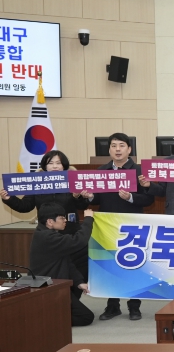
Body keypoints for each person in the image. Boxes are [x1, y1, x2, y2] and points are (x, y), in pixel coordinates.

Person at [83, 133, 154, 321]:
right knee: (110, 266)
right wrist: (90, 196)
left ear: (129, 149)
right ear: (109, 150)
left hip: (132, 226)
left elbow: (149, 199)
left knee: (134, 266)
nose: (117, 149)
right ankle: (112, 306)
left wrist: (130, 197)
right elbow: (97, 199)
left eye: (121, 145)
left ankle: (134, 306)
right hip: (107, 227)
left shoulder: (139, 171)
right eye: (114, 146)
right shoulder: (102, 171)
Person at [1, 150, 90, 279]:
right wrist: (9, 199)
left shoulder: (73, 180)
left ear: (64, 166)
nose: (55, 166)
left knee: (77, 271)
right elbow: (25, 206)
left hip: (70, 232)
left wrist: (78, 197)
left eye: (58, 163)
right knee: (53, 273)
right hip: (47, 236)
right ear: (44, 166)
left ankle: (76, 290)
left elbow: (82, 206)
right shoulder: (37, 182)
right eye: (51, 163)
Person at [29, 203, 95, 327]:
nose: (65, 221)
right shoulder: (46, 237)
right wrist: (88, 219)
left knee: (83, 260)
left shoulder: (46, 233)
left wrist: (79, 282)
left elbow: (67, 262)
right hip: (48, 288)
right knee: (86, 317)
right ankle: (46, 320)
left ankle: (52, 313)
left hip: (57, 283)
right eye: (62, 218)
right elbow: (79, 241)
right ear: (50, 221)